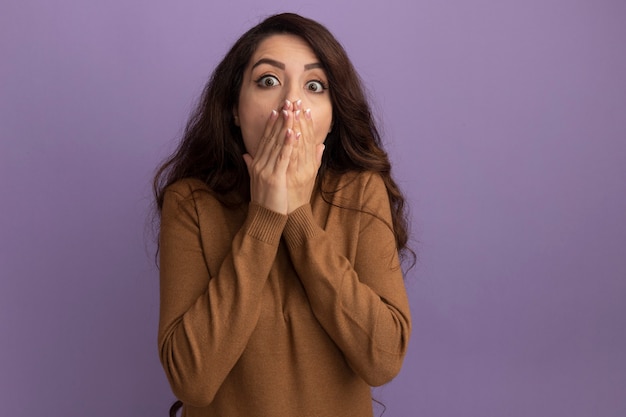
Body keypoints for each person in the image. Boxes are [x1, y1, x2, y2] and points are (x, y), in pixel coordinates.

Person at [153, 12, 413, 417]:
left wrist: (298, 216)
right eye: (268, 81)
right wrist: (264, 218)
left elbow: (382, 359)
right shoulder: (191, 203)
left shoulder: (361, 192)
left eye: (314, 86)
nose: (292, 105)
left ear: (332, 117)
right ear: (234, 110)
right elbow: (192, 380)